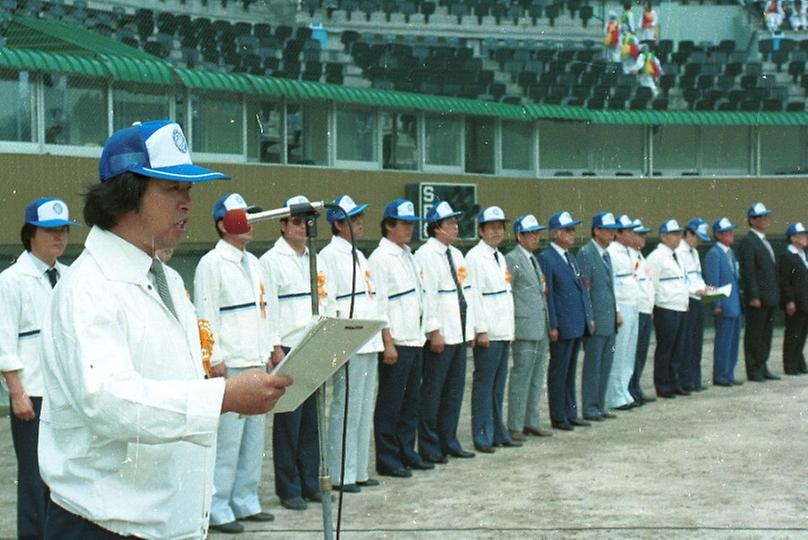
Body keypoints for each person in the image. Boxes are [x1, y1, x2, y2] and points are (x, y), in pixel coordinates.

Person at [37, 120, 291, 539]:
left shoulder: (167, 279)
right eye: (172, 189)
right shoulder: (88, 287)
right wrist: (223, 397)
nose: (187, 203)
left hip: (168, 519)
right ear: (125, 194)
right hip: (104, 524)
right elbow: (108, 400)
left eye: (189, 190)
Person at [194, 192, 276, 533]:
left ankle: (245, 499)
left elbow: (264, 309)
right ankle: (218, 505)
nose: (248, 222)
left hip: (256, 358)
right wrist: (214, 359)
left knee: (253, 440)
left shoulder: (254, 263)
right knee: (228, 441)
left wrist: (270, 347)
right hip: (231, 364)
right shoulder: (211, 264)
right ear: (221, 224)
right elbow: (205, 314)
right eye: (241, 216)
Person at [0, 197, 78, 539]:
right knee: (34, 480)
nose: (59, 237)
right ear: (31, 234)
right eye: (50, 231)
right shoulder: (11, 280)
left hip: (66, 394)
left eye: (63, 230)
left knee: (65, 477)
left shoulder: (70, 276)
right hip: (33, 397)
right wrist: (16, 392)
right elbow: (3, 341)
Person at [260, 194, 335, 511]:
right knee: (289, 420)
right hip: (288, 346)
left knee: (311, 422)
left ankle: (309, 482)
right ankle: (288, 488)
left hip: (313, 342)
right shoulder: (270, 261)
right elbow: (269, 308)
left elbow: (325, 298)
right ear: (282, 224)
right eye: (296, 221)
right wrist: (274, 345)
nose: (303, 227)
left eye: (307, 221)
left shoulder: (313, 258)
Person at [319, 195, 383, 492]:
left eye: (359, 218)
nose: (359, 224)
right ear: (337, 224)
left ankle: (358, 470)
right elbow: (329, 301)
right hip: (350, 340)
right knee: (346, 407)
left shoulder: (359, 254)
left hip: (368, 339)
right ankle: (341, 473)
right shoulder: (329, 256)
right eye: (352, 219)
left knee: (364, 407)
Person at [369, 199, 431, 478]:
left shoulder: (408, 254)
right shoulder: (380, 259)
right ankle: (388, 457)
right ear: (388, 226)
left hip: (414, 338)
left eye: (411, 224)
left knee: (411, 401)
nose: (409, 229)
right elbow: (379, 305)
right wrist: (388, 342)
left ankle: (408, 450)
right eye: (404, 224)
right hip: (397, 341)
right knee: (391, 403)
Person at [415, 201, 478, 463]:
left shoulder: (456, 255)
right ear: (436, 227)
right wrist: (434, 330)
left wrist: (471, 329)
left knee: (453, 392)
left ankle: (448, 440)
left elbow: (467, 293)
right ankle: (430, 446)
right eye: (450, 222)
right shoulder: (426, 255)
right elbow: (427, 295)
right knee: (433, 393)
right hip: (441, 334)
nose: (455, 227)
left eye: (455, 222)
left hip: (458, 332)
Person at [466, 206, 518, 453]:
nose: (497, 232)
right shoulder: (475, 258)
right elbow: (474, 296)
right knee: (484, 384)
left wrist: (510, 330)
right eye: (492, 227)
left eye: (500, 227)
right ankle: (482, 434)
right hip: (489, 330)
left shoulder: (500, 256)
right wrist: (480, 330)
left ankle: (498, 430)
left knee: (498, 384)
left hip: (503, 329)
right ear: (481, 230)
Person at [539, 211, 593, 431]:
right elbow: (548, 294)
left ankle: (571, 412)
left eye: (572, 230)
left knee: (570, 371)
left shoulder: (571, 257)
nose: (572, 234)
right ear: (555, 233)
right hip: (561, 323)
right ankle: (558, 415)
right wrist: (553, 324)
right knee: (559, 371)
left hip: (575, 322)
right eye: (567, 230)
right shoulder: (546, 258)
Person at [505, 215, 552, 439]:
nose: (535, 237)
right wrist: (512, 325)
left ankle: (531, 420)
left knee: (536, 376)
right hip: (523, 326)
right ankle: (515, 425)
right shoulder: (512, 258)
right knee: (521, 375)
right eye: (530, 233)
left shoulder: (534, 259)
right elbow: (508, 293)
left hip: (540, 324)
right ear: (519, 236)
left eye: (537, 233)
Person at [578, 212, 621, 420]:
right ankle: (590, 406)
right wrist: (589, 317)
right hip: (596, 319)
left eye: (614, 229)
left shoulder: (606, 254)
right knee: (593, 365)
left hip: (609, 318)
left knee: (605, 364)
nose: (612, 233)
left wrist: (616, 313)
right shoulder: (586, 253)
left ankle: (599, 404)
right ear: (596, 230)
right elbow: (585, 289)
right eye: (608, 229)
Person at [646, 219, 689, 399]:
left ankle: (674, 381)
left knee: (678, 348)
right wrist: (652, 308)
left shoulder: (677, 255)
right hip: (665, 307)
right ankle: (662, 384)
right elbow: (651, 284)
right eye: (674, 234)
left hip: (680, 306)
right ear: (663, 236)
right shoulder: (656, 257)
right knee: (666, 347)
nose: (678, 237)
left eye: (679, 233)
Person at [738, 202, 780, 382]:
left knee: (766, 334)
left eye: (765, 216)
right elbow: (749, 271)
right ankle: (754, 369)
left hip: (769, 296)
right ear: (751, 220)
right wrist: (753, 296)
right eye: (760, 217)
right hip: (758, 298)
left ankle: (763, 366)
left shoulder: (764, 241)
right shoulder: (749, 241)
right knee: (755, 334)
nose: (764, 220)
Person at [606, 214, 641, 411]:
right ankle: (615, 395)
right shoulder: (612, 252)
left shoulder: (630, 252)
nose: (632, 234)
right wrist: (617, 310)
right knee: (619, 353)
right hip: (623, 306)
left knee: (629, 352)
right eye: (628, 231)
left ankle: (625, 390)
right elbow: (612, 286)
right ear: (618, 233)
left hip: (633, 303)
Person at [704, 217, 743, 387]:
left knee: (733, 341)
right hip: (725, 304)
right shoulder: (714, 254)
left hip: (734, 303)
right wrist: (716, 304)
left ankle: (729, 372)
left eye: (731, 231)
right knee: (723, 341)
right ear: (718, 235)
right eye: (727, 232)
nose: (731, 235)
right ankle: (720, 374)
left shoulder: (730, 252)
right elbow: (712, 280)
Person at [676, 218, 709, 393]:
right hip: (688, 300)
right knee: (686, 343)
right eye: (697, 237)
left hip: (698, 299)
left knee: (696, 342)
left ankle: (694, 379)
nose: (699, 241)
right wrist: (694, 290)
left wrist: (704, 288)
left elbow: (697, 276)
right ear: (688, 233)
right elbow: (683, 279)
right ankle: (685, 380)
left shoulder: (694, 252)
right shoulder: (680, 251)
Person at [628, 219, 656, 405]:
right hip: (637, 310)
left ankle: (635, 385)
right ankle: (630, 388)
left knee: (641, 352)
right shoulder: (629, 256)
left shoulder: (640, 255)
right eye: (639, 234)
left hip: (646, 310)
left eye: (644, 234)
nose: (643, 237)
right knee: (632, 353)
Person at [778, 222, 808, 375]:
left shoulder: (803, 255)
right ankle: (790, 365)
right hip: (795, 302)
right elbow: (785, 281)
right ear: (793, 238)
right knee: (793, 334)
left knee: (802, 334)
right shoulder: (787, 256)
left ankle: (799, 363)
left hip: (805, 301)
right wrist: (790, 300)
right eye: (802, 235)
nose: (805, 237)